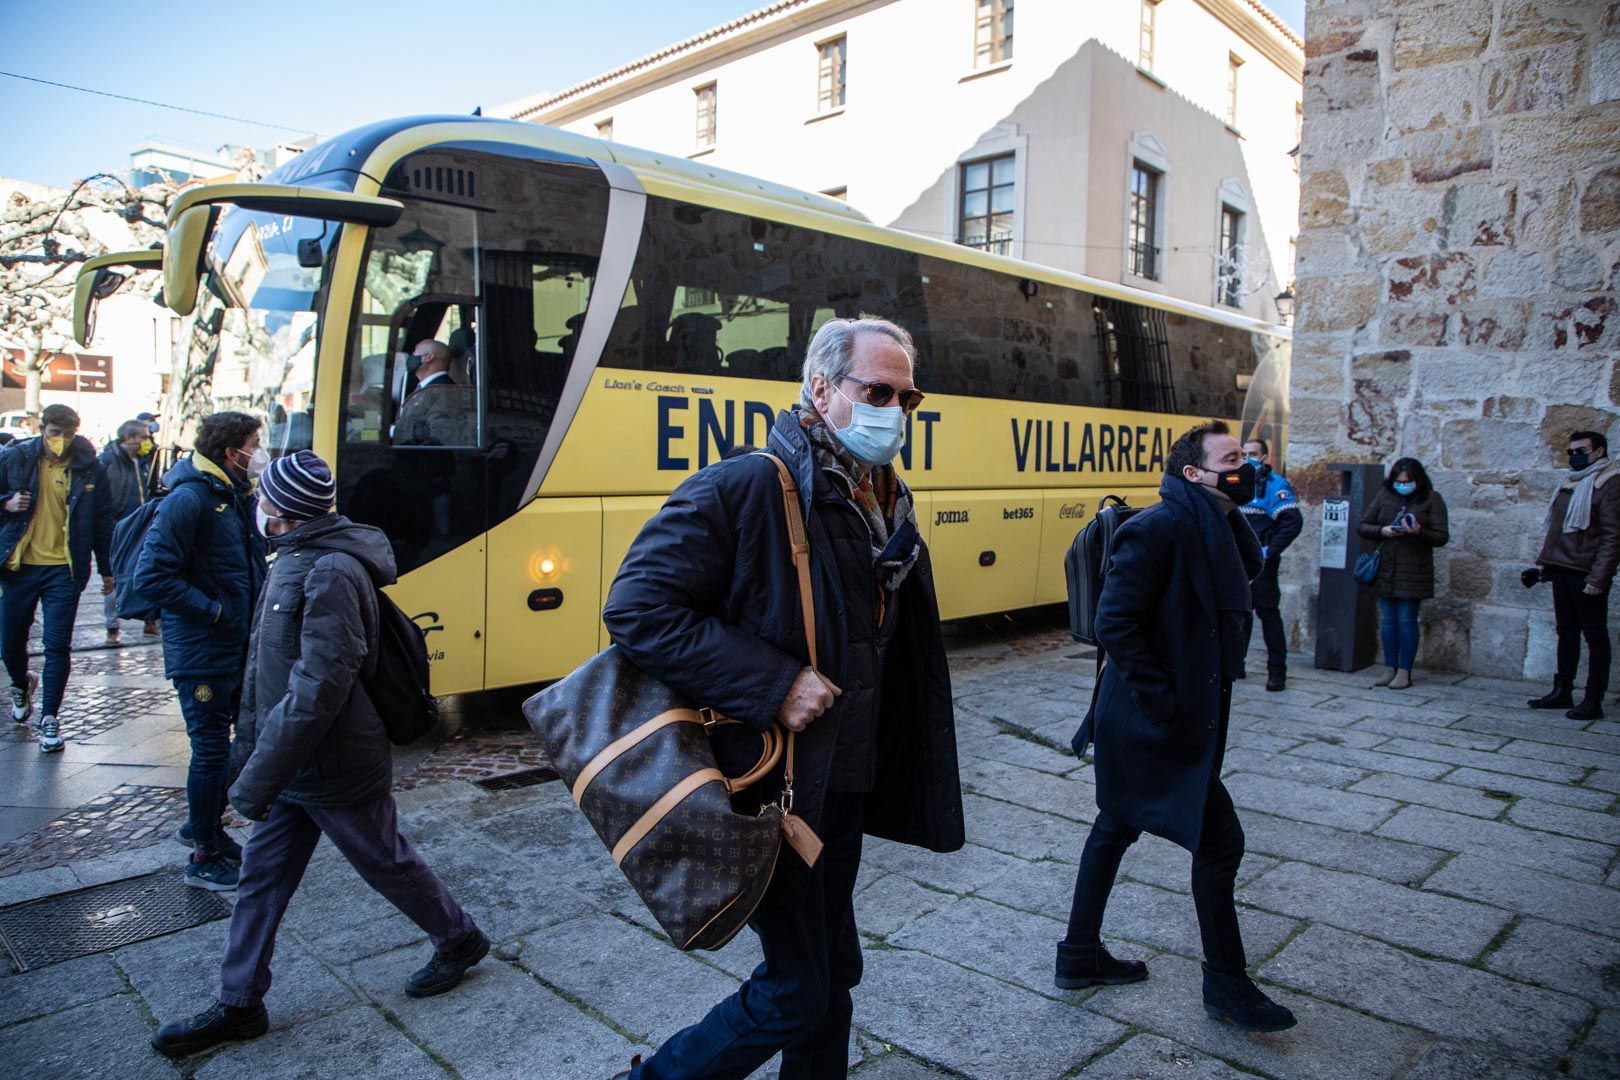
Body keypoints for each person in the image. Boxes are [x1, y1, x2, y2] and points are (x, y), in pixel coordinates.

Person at [602, 318, 963, 1078]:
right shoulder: (747, 486)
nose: (895, 410)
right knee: (798, 987)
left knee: (831, 972)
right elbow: (637, 607)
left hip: (842, 785)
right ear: (821, 387)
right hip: (776, 787)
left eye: (907, 396)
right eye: (878, 391)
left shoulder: (880, 496)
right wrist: (774, 683)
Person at [150, 451, 487, 1058]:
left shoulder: (330, 570)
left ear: (279, 511)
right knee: (261, 877)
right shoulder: (296, 558)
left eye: (262, 497)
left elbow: (319, 687)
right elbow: (272, 673)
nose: (255, 503)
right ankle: (240, 1003)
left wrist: (255, 776)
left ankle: (458, 937)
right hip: (293, 760)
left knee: (385, 861)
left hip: (333, 763)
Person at [1062, 420, 1296, 1033]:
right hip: (1149, 721)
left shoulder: (1218, 526)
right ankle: (1226, 984)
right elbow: (1116, 623)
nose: (1242, 467)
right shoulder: (1159, 527)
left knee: (1114, 827)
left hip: (1168, 717)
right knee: (1220, 843)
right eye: (1229, 459)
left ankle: (1078, 955)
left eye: (1244, 456)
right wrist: (1163, 701)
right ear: (1194, 474)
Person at [133, 412, 267, 889]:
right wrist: (213, 611)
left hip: (231, 644)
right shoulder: (189, 500)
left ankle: (206, 824)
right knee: (210, 750)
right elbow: (151, 577)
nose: (261, 450)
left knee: (240, 739)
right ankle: (204, 852)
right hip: (203, 650)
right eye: (255, 442)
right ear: (232, 453)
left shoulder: (230, 495)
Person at [0, 404, 115, 752]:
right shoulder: (15, 458)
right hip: (19, 566)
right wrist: (5, 504)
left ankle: (49, 717)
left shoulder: (91, 467)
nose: (61, 441)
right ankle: (22, 683)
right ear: (41, 428)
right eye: (54, 433)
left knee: (57, 645)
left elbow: (103, 520)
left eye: (68, 434)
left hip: (64, 570)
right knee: (9, 643)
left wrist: (107, 569)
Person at [1526, 430, 1618, 720]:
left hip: (1586, 573)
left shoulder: (1609, 483)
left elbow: (1613, 537)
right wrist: (1544, 567)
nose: (1574, 457)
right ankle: (1562, 690)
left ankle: (1593, 699)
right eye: (1571, 452)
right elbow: (1557, 530)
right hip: (1563, 569)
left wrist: (1598, 578)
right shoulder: (1571, 482)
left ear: (1599, 451)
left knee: (1595, 636)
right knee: (1566, 632)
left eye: (1581, 451)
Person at [1356, 457, 1449, 690]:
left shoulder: (1431, 499)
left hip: (1414, 570)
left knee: (1406, 621)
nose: (1402, 485)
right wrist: (1383, 531)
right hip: (1386, 567)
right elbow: (1363, 525)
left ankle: (1405, 671)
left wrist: (1418, 531)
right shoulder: (1384, 496)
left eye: (1407, 481)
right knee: (1388, 622)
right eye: (1398, 481)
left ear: (1417, 480)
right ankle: (1389, 668)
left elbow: (1441, 536)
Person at [1238, 436, 1301, 691]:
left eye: (1252, 453)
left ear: (1264, 456)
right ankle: (1236, 664)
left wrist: (1270, 550)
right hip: (1239, 561)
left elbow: (1292, 521)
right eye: (1243, 454)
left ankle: (1277, 672)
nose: (1247, 458)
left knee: (1268, 614)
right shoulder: (1239, 482)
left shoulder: (1274, 485)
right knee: (1240, 613)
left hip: (1262, 563)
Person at [98, 419, 159, 643]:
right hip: (120, 526)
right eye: (143, 437)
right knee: (113, 577)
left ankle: (149, 621)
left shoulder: (145, 461)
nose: (147, 442)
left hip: (144, 525)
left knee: (147, 571)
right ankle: (112, 627)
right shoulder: (109, 461)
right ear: (129, 438)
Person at [394, 338, 476, 447]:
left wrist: (393, 432)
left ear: (429, 357)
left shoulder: (446, 392)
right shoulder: (426, 389)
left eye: (415, 352)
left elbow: (437, 435)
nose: (412, 356)